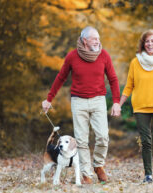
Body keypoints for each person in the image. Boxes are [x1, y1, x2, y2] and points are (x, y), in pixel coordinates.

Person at [42, 26, 121, 184]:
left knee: (103, 137)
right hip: (78, 102)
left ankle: (98, 165)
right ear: (85, 40)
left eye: (98, 38)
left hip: (98, 100)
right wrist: (49, 99)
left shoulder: (103, 55)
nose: (98, 41)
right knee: (81, 140)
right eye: (94, 39)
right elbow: (61, 77)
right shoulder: (72, 56)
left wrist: (116, 102)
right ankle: (85, 174)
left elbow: (113, 79)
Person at [119, 29, 153, 183]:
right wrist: (119, 103)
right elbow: (129, 86)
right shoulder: (135, 62)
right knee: (146, 141)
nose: (150, 44)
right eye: (147, 41)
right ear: (143, 43)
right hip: (141, 107)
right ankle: (148, 174)